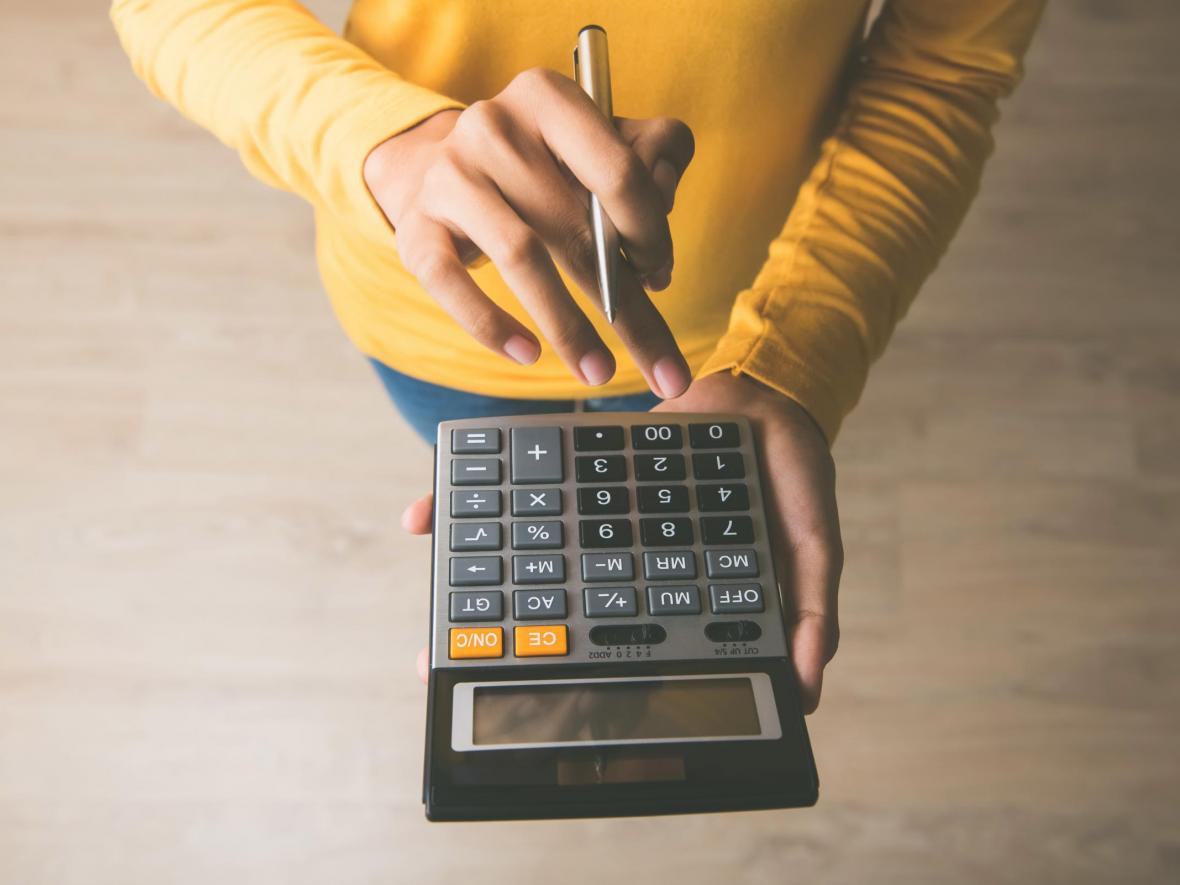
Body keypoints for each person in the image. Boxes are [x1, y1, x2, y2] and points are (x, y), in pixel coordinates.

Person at [110, 0, 1044, 713]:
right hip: (447, 314)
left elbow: (942, 75)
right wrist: (387, 142)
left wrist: (795, 351)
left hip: (735, 337)